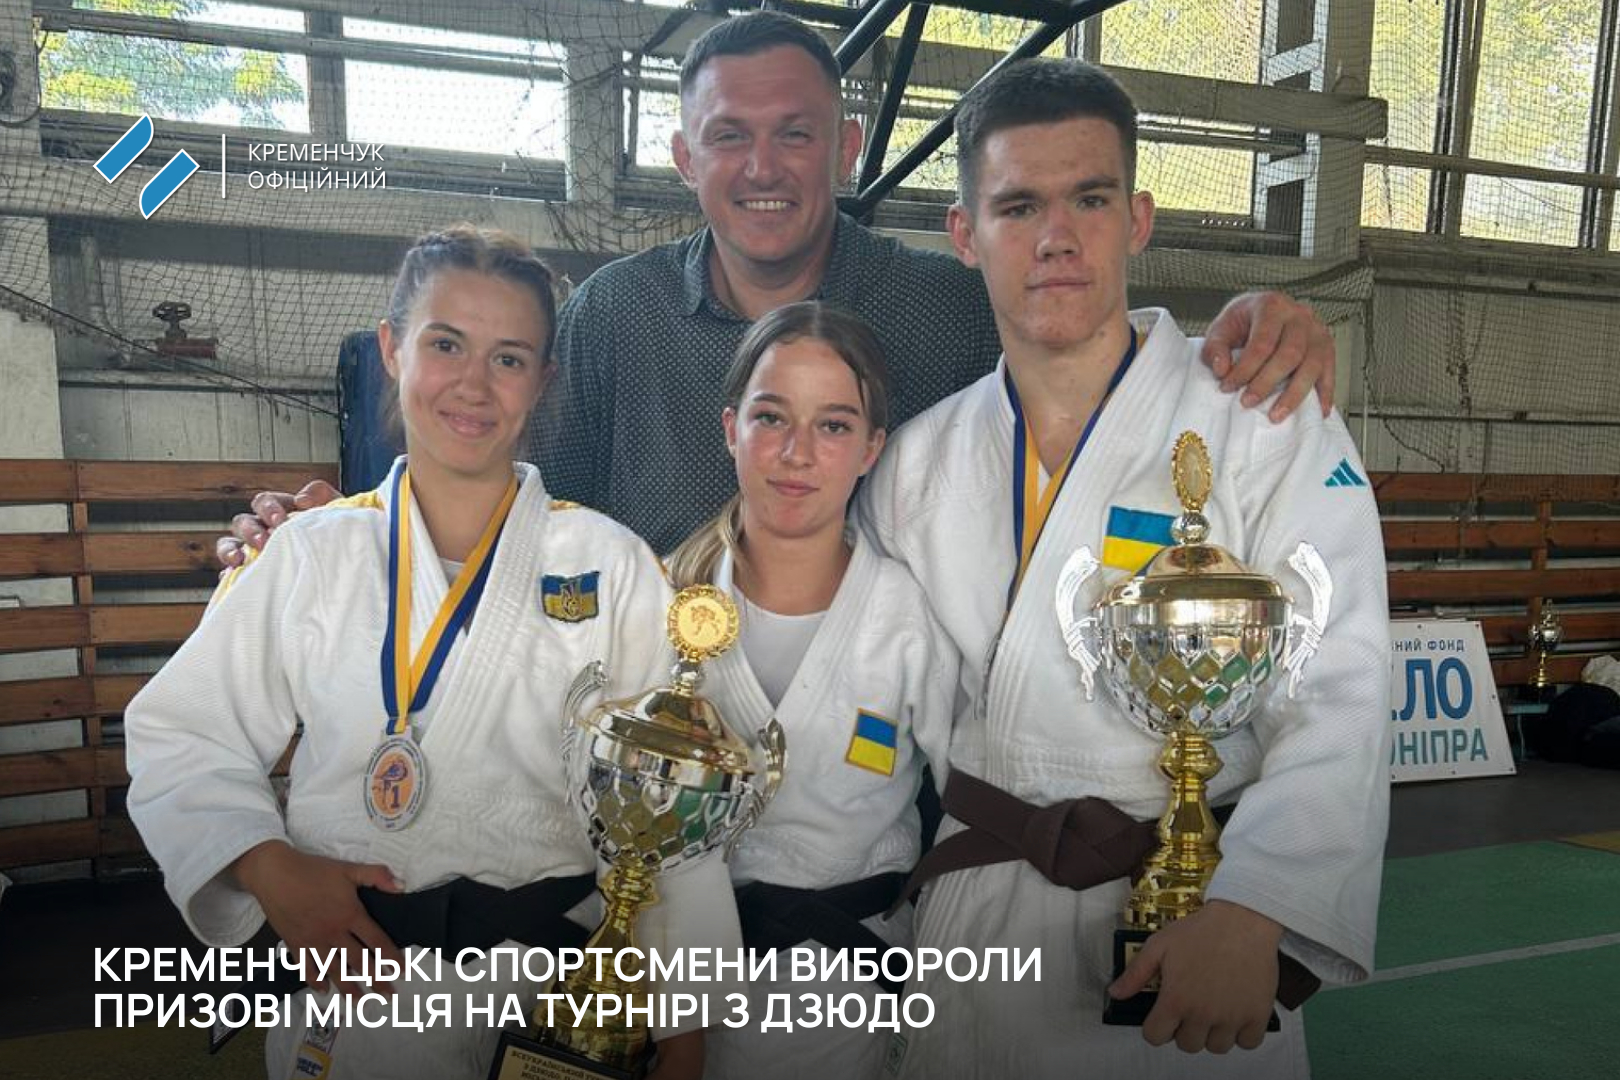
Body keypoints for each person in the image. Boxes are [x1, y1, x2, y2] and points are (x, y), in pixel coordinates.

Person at [218, 11, 1339, 564]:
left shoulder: (945, 309)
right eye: (730, 137)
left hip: (876, 749)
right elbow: (509, 505)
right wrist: (353, 545)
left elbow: (1083, 346)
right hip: (644, 735)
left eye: (796, 134)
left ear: (844, 148)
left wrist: (1248, 336)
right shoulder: (614, 314)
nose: (764, 168)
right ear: (683, 157)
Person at [856, 59, 1391, 1079]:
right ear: (965, 234)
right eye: (1018, 206)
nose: (1057, 237)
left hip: (1196, 915)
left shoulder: (1264, 420)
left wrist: (1256, 908)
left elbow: (1344, 685)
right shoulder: (913, 465)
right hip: (981, 922)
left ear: (1138, 219)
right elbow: (873, 708)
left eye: (1090, 199)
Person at [124, 226, 736, 1080]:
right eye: (445, 344)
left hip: (546, 1004)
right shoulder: (310, 553)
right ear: (392, 349)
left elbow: (666, 799)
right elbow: (184, 732)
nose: (473, 385)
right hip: (351, 988)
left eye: (509, 358)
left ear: (543, 380)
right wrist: (266, 865)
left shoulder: (611, 564)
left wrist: (685, 1023)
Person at [663, 301, 955, 1080]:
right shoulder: (665, 600)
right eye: (771, 417)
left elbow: (971, 804)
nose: (797, 453)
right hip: (679, 998)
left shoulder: (908, 619)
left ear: (871, 449)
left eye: (833, 425)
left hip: (852, 1000)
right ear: (730, 428)